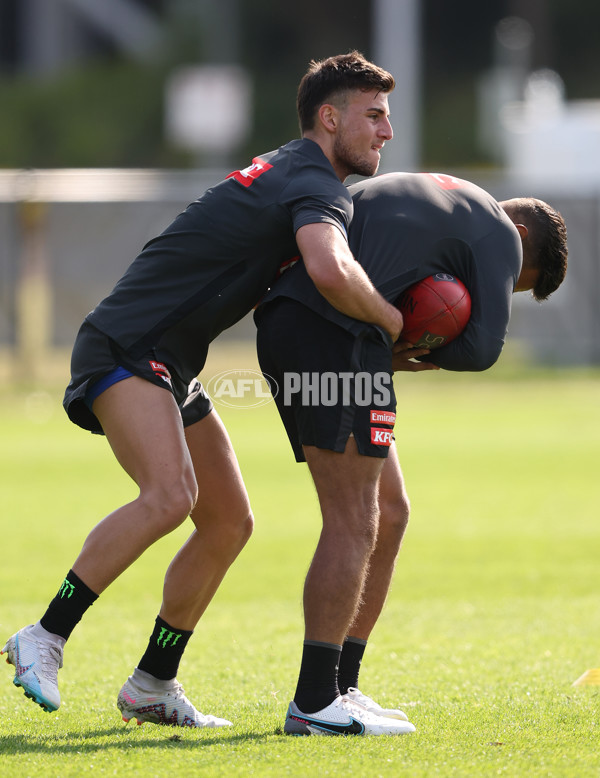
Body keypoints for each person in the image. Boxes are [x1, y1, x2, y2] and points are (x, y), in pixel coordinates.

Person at [2, 52, 412, 735]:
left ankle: (152, 682)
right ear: (329, 117)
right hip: (129, 345)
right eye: (373, 116)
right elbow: (329, 267)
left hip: (168, 359)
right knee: (170, 497)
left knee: (228, 522)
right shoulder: (314, 178)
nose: (385, 132)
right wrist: (396, 323)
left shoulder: (293, 168)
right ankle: (44, 635)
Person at [255, 171, 568, 735]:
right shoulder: (501, 230)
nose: (496, 289)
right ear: (519, 233)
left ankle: (341, 688)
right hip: (335, 339)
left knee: (390, 513)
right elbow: (480, 350)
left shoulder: (435, 197)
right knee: (353, 521)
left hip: (296, 327)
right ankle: (312, 703)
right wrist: (417, 339)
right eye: (514, 285)